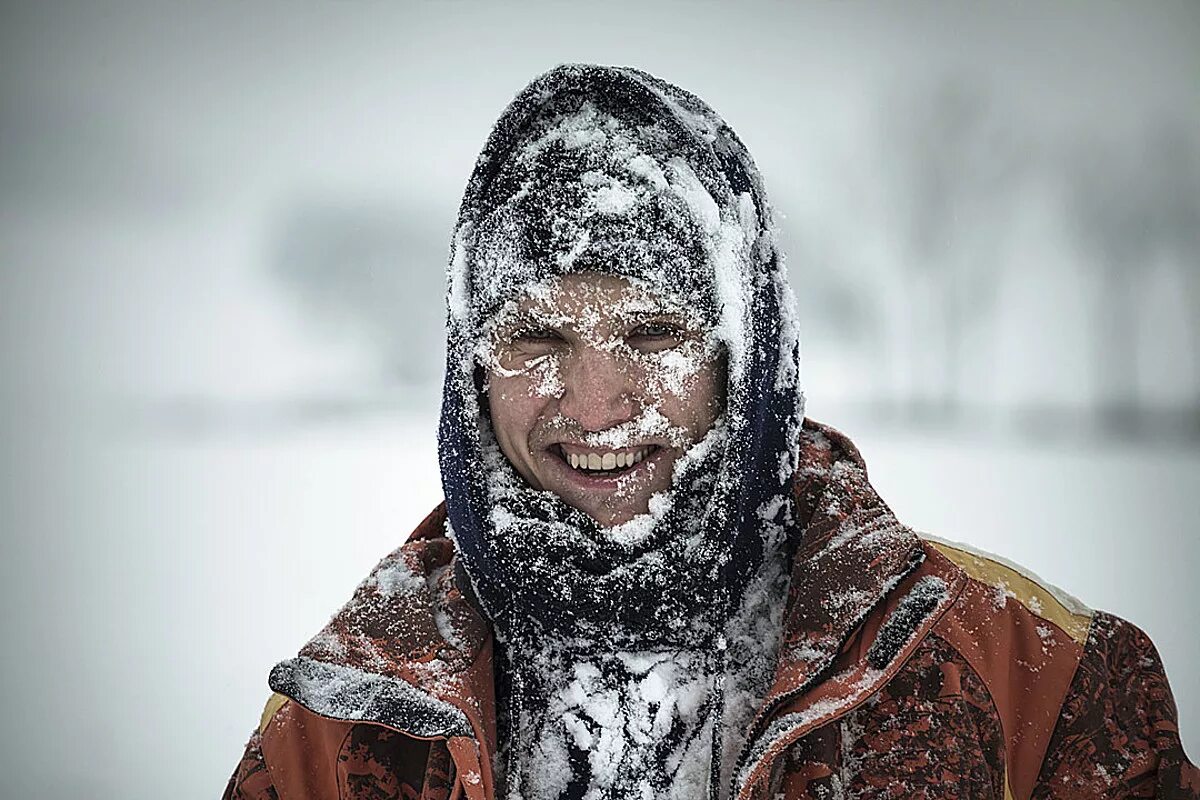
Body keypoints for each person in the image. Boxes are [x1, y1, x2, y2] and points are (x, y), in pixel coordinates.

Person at [223, 64, 1198, 800]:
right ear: (470, 365)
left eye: (654, 331)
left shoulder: (1039, 684)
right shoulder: (343, 720)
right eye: (536, 335)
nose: (597, 401)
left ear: (750, 353)